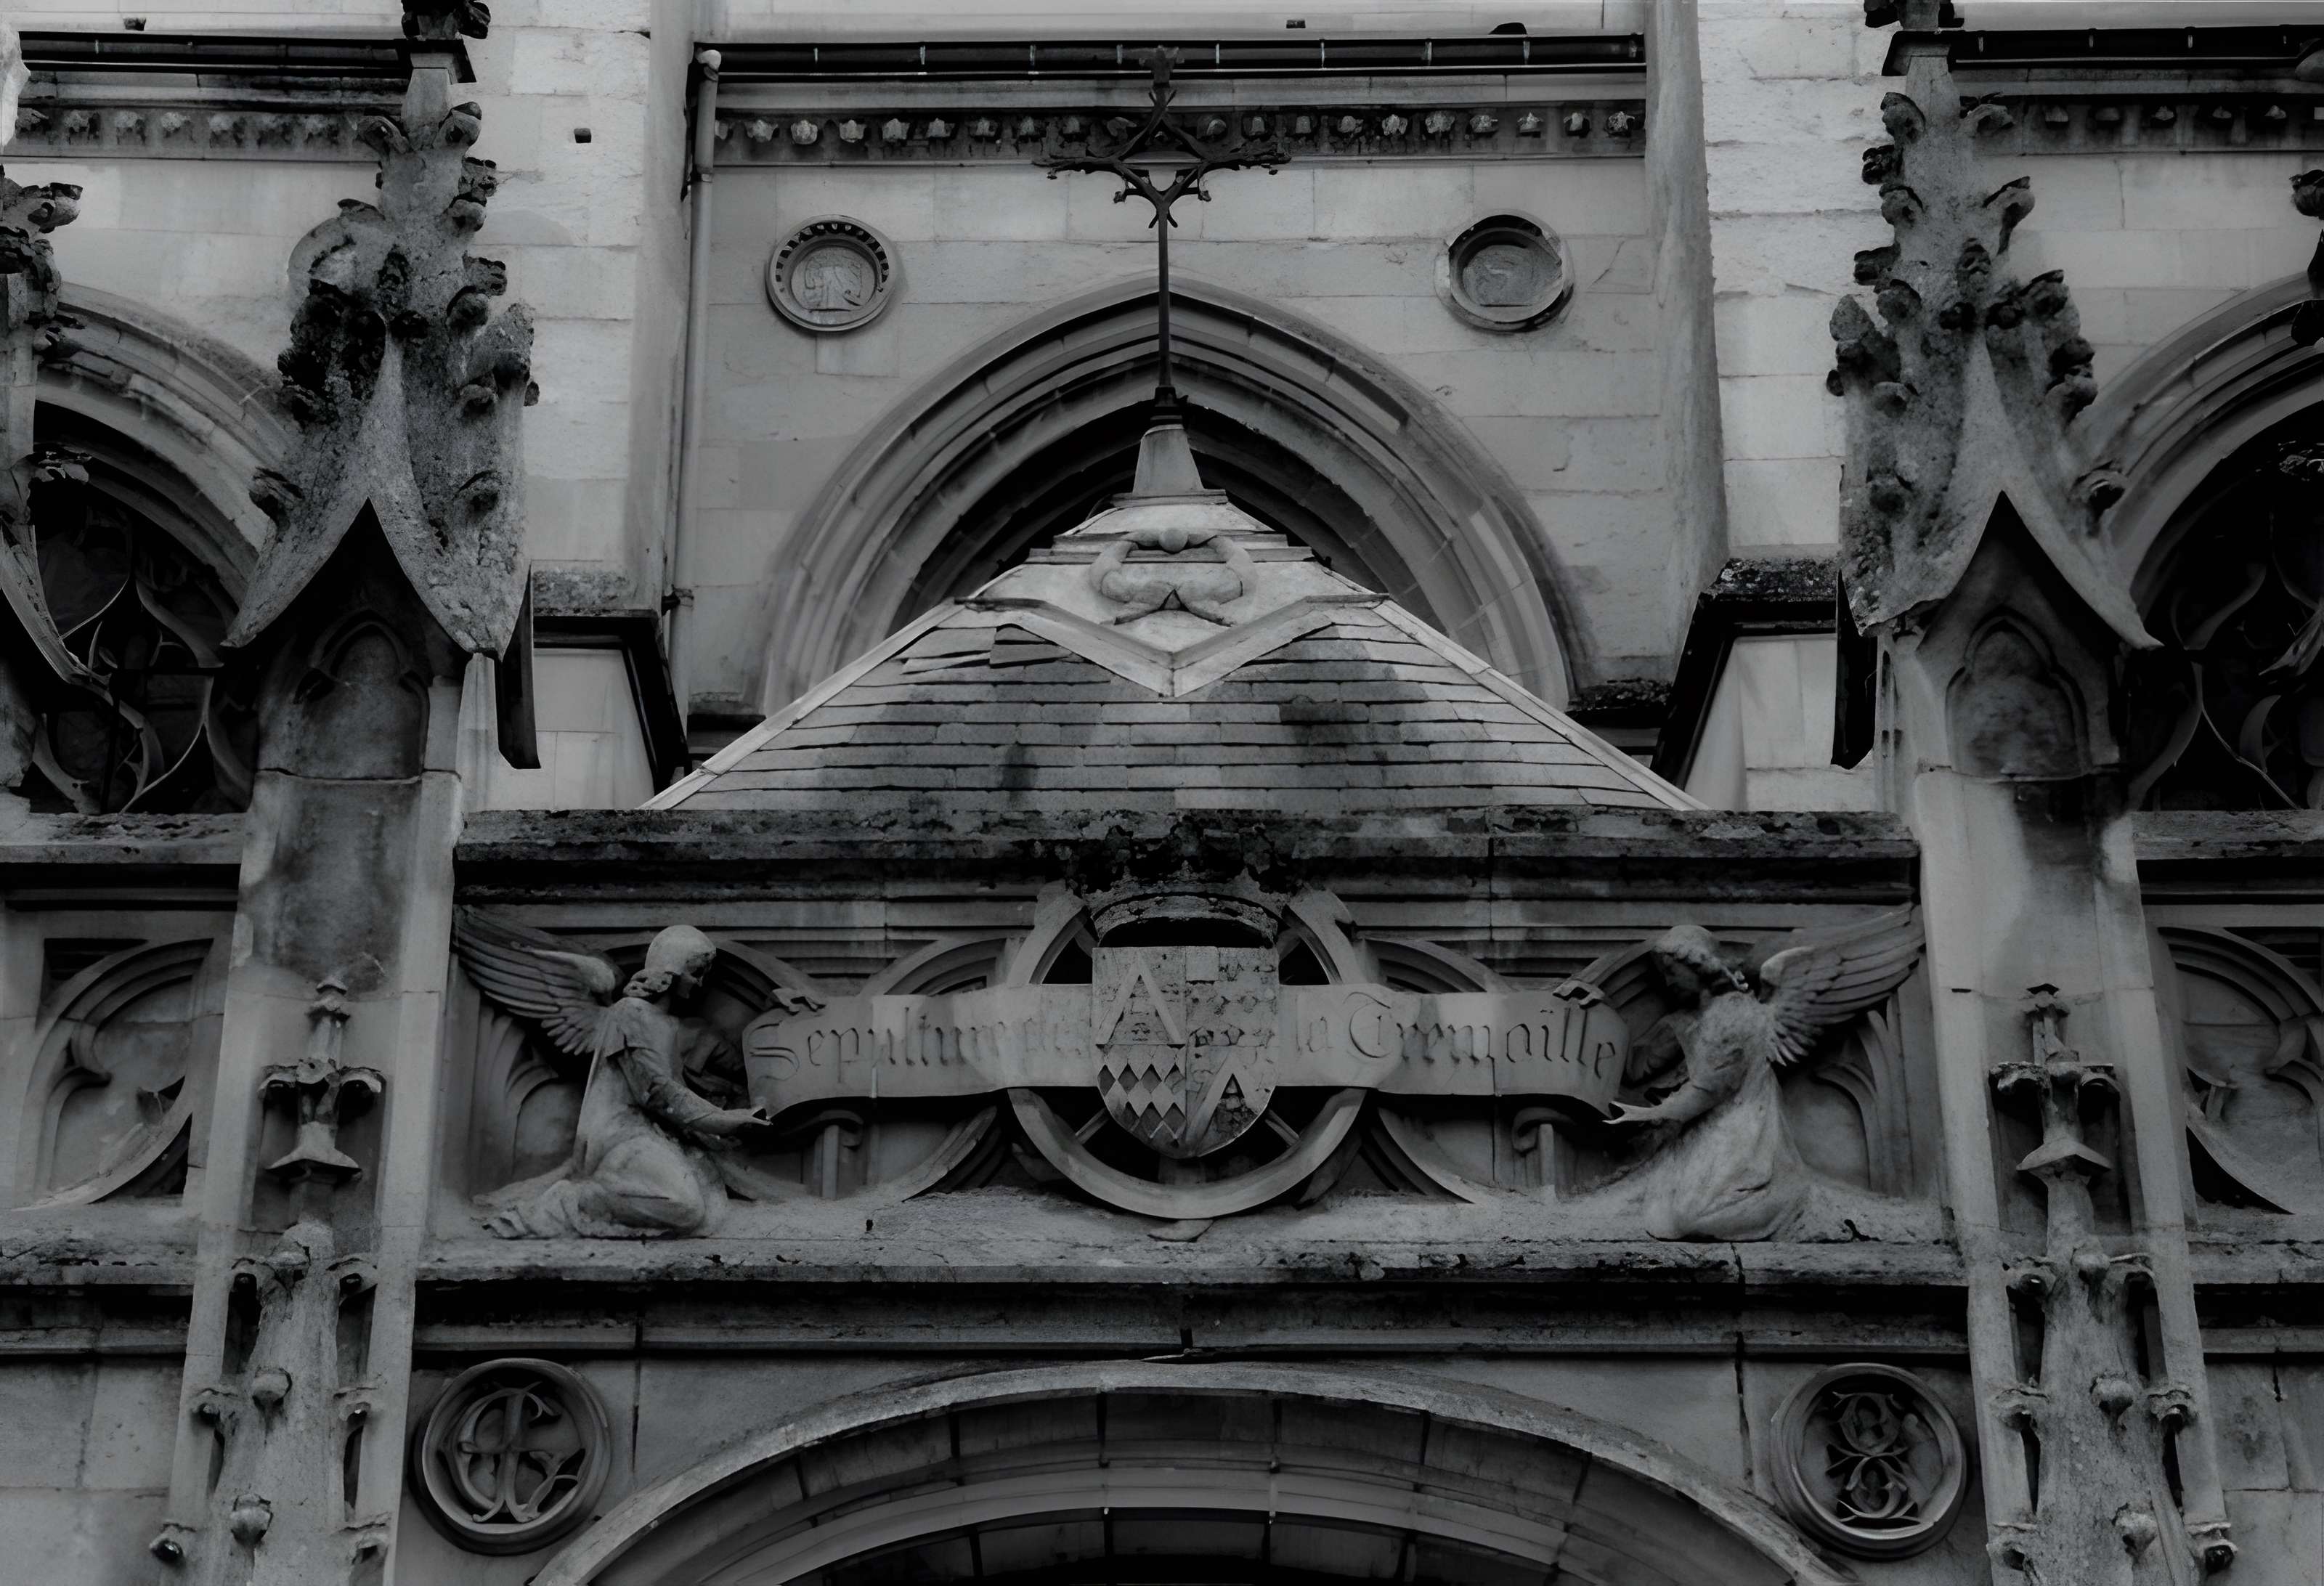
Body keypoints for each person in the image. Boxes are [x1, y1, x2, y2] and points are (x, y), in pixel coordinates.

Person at [479, 925, 767, 1237]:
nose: (699, 983)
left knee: (703, 1205)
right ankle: (562, 1204)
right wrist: (724, 1120)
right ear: (672, 970)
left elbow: (706, 1078)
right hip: (624, 1137)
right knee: (683, 1205)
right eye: (695, 972)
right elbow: (658, 1093)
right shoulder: (630, 1013)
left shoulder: (672, 1026)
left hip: (657, 1136)